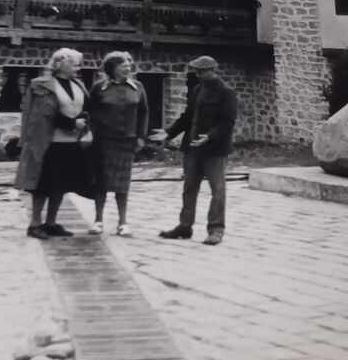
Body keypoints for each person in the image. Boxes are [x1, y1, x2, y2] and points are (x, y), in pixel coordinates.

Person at [14, 48, 94, 239]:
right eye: (73, 63)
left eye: (78, 63)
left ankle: (51, 223)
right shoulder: (42, 85)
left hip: (71, 141)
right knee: (42, 184)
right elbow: (43, 115)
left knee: (61, 184)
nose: (77, 67)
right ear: (59, 64)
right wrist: (71, 123)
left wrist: (83, 122)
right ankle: (34, 224)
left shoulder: (78, 85)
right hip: (48, 141)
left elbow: (85, 108)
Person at [158, 55, 238, 246]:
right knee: (189, 189)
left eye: (201, 71)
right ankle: (185, 227)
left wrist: (209, 136)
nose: (198, 74)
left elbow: (227, 122)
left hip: (214, 151)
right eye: (196, 71)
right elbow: (187, 117)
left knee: (217, 190)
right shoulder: (197, 90)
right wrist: (168, 133)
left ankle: (216, 229)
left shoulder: (226, 93)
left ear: (212, 70)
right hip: (192, 149)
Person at [86, 51, 148, 237]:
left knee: (123, 183)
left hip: (127, 141)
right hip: (103, 141)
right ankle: (98, 221)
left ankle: (123, 222)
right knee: (101, 182)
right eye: (123, 66)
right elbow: (90, 112)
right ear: (112, 69)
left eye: (129, 66)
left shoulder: (137, 87)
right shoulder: (99, 88)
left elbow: (144, 113)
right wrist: (91, 133)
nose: (128, 69)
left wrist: (141, 137)